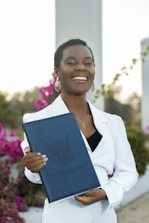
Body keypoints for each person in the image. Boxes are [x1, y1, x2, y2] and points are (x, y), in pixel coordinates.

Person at [21, 39, 138, 223]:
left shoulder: (112, 123)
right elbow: (34, 176)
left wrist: (105, 192)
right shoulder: (37, 122)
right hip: (61, 217)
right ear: (57, 72)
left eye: (88, 62)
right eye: (71, 62)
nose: (81, 68)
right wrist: (32, 167)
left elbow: (128, 172)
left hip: (104, 216)